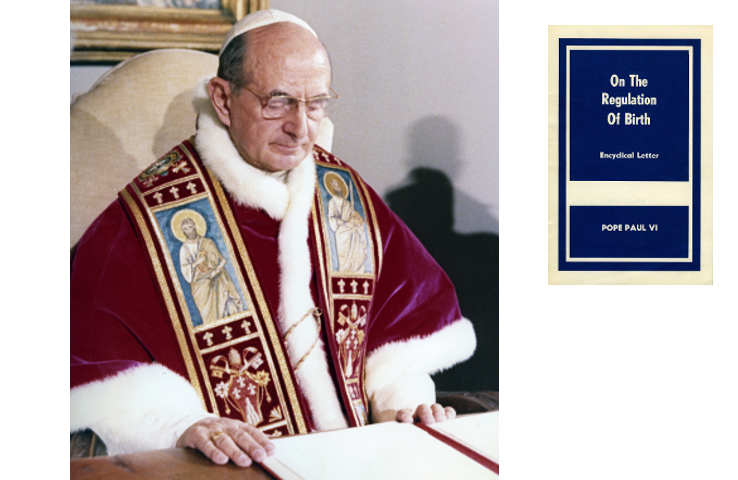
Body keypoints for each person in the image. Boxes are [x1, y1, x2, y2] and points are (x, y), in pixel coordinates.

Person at [70, 9, 476, 468]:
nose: (301, 128)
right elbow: (94, 355)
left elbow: (399, 327)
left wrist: (400, 401)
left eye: (316, 103)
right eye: (278, 102)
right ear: (222, 100)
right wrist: (180, 423)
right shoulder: (146, 216)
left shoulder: (345, 195)